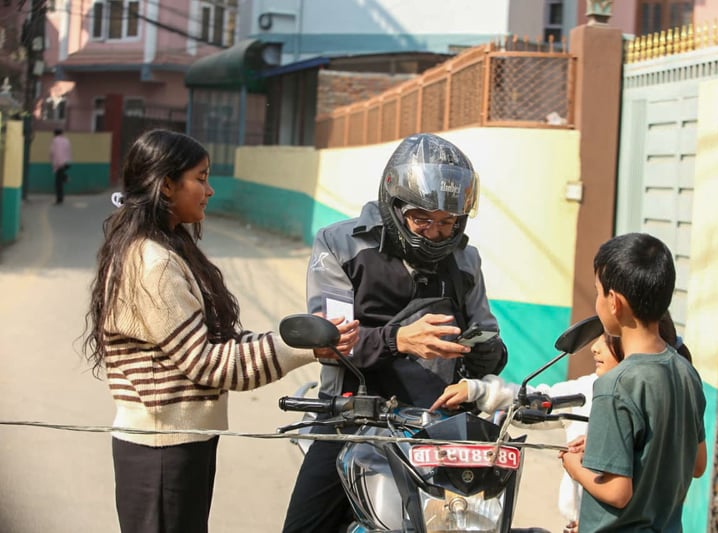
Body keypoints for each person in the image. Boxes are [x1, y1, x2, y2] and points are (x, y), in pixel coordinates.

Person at [82, 129, 359, 533]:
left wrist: (306, 341)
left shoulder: (168, 248)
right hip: (160, 451)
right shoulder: (153, 262)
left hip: (180, 443)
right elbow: (209, 363)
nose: (209, 190)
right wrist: (305, 350)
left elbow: (215, 342)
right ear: (166, 185)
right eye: (201, 177)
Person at [282, 132, 508, 533]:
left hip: (439, 428)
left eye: (447, 223)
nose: (435, 233)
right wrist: (398, 339)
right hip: (349, 421)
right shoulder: (340, 246)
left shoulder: (466, 259)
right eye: (422, 219)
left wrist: (482, 351)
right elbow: (330, 342)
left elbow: (488, 336)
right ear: (395, 204)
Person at [431, 311, 693, 533]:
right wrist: (479, 391)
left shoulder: (617, 394)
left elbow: (621, 490)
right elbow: (541, 400)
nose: (594, 347)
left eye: (606, 339)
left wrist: (575, 465)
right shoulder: (593, 389)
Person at [560, 233, 707, 532]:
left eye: (600, 292)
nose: (598, 300)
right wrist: (609, 445)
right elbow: (696, 464)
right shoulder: (686, 373)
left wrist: (573, 467)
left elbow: (617, 492)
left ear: (614, 302)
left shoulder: (615, 386)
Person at [49, 128, 72, 205]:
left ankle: (59, 199)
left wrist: (57, 164)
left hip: (59, 163)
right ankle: (65, 177)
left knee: (58, 183)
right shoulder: (66, 140)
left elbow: (55, 152)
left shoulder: (55, 141)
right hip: (66, 162)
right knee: (60, 180)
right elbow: (68, 151)